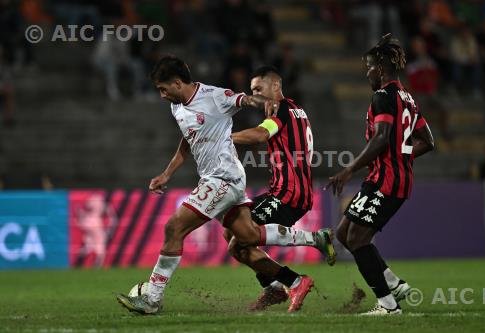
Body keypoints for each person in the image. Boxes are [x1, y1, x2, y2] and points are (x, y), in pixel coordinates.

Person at [116, 55, 334, 314]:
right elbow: (188, 139)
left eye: (163, 89)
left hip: (224, 177)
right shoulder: (177, 107)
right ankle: (296, 275)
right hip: (215, 176)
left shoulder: (214, 96)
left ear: (176, 83)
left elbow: (245, 100)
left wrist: (262, 101)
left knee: (175, 227)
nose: (162, 95)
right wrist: (167, 173)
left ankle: (152, 298)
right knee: (244, 238)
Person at [326, 34, 434, 315]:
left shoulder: (383, 96)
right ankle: (392, 282)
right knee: (343, 233)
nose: (367, 72)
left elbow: (381, 138)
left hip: (387, 181)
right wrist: (402, 155)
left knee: (358, 240)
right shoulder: (407, 98)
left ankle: (388, 305)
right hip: (383, 177)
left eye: (369, 67)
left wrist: (349, 169)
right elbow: (428, 141)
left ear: (382, 69)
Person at [228, 66, 335, 312]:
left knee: (239, 242)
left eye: (258, 89)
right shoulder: (296, 109)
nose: (254, 95)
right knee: (231, 225)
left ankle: (298, 271)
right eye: (251, 90)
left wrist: (223, 136)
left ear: (275, 86)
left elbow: (260, 135)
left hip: (288, 193)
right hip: (287, 189)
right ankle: (274, 288)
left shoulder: (282, 109)